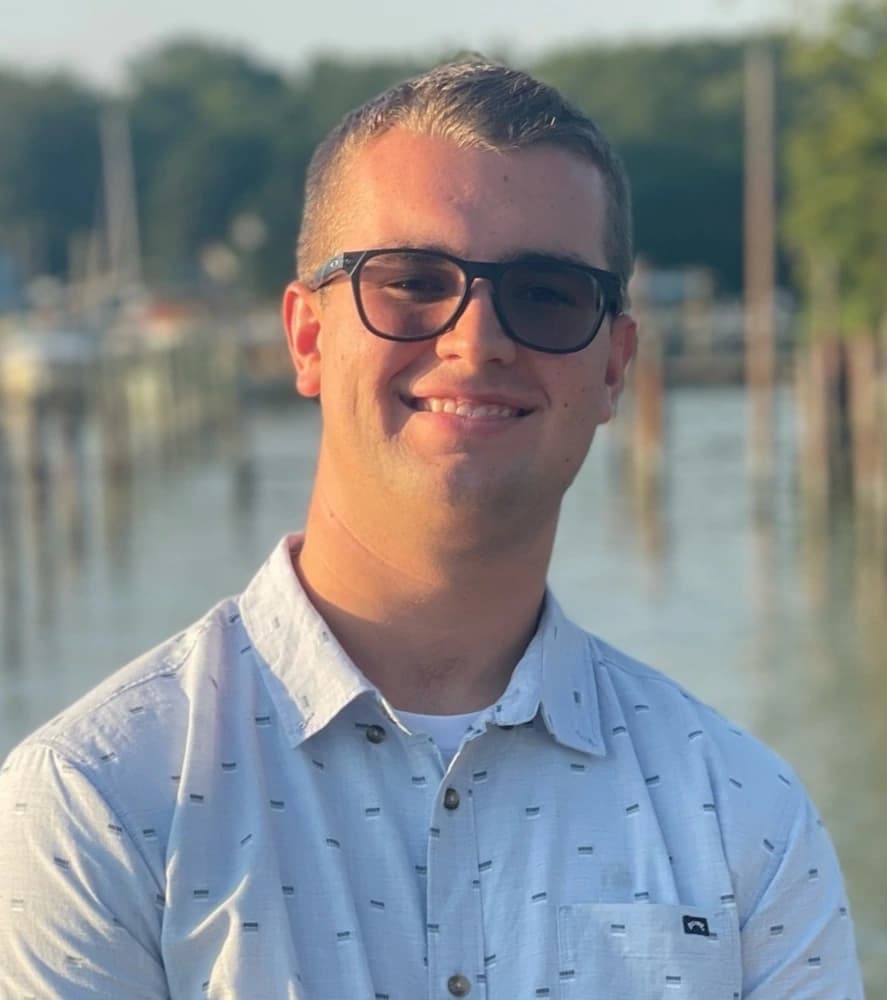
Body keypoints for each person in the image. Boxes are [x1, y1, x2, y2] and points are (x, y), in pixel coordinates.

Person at [0, 59, 863, 999]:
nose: (477, 335)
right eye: (409, 280)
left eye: (545, 293)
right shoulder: (98, 803)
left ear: (614, 366)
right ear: (306, 337)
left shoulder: (743, 814)